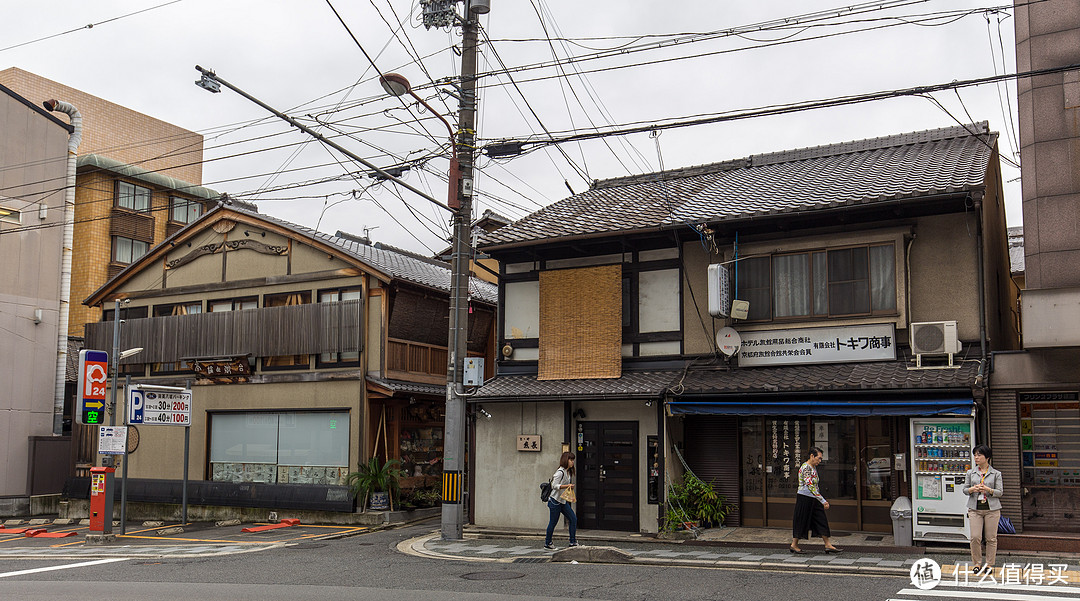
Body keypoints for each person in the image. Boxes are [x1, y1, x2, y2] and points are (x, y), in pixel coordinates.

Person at [791, 446, 842, 554]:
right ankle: (794, 545)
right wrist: (823, 500)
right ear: (811, 456)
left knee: (821, 519)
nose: (820, 460)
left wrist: (819, 498)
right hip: (804, 498)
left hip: (814, 498)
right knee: (801, 521)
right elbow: (810, 485)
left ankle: (827, 544)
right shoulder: (806, 468)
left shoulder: (813, 467)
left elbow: (815, 486)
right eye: (818, 458)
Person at [963, 444, 1003, 574]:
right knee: (975, 537)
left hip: (992, 509)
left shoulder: (996, 473)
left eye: (979, 455)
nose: (976, 457)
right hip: (975, 509)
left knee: (991, 538)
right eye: (975, 455)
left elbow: (1000, 492)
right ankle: (977, 563)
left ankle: (990, 564)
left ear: (987, 457)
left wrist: (988, 489)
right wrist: (972, 489)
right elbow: (965, 489)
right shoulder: (971, 473)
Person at [544, 451, 579, 550]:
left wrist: (568, 487)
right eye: (571, 460)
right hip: (555, 501)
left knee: (573, 519)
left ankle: (572, 542)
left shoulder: (568, 472)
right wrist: (567, 486)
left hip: (562, 501)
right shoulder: (560, 472)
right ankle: (548, 543)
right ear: (566, 460)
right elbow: (554, 486)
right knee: (553, 522)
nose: (572, 462)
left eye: (573, 460)